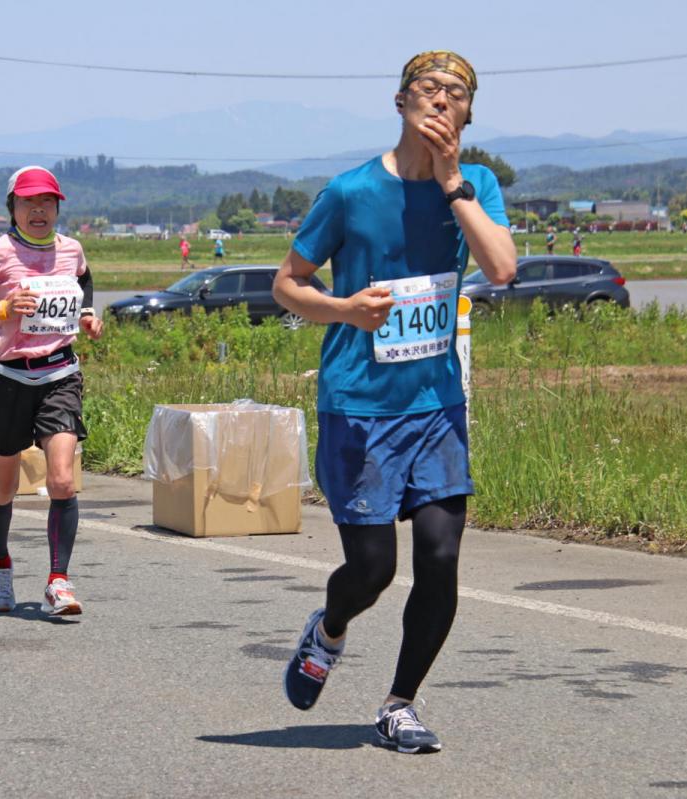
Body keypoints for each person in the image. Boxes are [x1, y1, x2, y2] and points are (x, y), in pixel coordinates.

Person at [272, 51, 516, 753]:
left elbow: (501, 267)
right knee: (373, 568)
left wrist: (451, 184)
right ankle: (330, 627)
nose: (442, 99)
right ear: (401, 100)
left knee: (440, 555)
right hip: (359, 405)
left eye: (458, 94)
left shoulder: (476, 186)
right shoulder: (350, 191)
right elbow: (288, 283)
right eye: (429, 88)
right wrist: (345, 309)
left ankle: (399, 703)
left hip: (436, 404)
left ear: (468, 116)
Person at [0, 165, 103, 617]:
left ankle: (58, 582)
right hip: (8, 378)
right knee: (5, 486)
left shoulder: (71, 249)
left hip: (60, 374)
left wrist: (88, 313)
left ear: (57, 208)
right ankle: (1, 564)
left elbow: (83, 279)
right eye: (29, 202)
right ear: (13, 207)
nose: (39, 211)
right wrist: (1, 307)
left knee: (62, 480)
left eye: (47, 202)